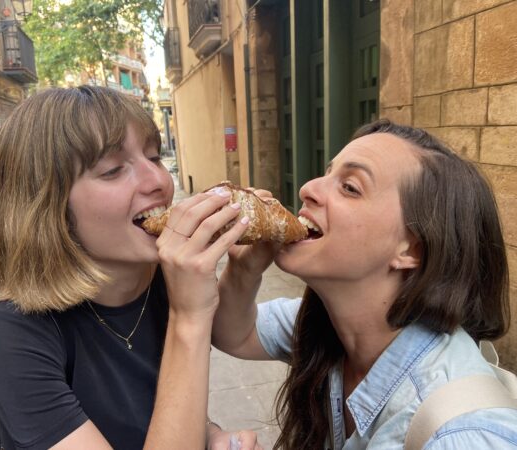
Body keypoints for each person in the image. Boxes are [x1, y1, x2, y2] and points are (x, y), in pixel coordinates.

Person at [0, 86, 261, 450]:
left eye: (154, 157)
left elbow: (166, 395)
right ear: (46, 208)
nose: (159, 182)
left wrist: (211, 434)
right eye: (112, 170)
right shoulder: (10, 333)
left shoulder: (163, 278)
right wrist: (188, 318)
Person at [210, 119, 517, 449]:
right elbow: (233, 333)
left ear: (411, 249)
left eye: (350, 187)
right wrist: (243, 270)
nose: (307, 188)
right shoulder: (328, 326)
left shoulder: (463, 436)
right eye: (327, 173)